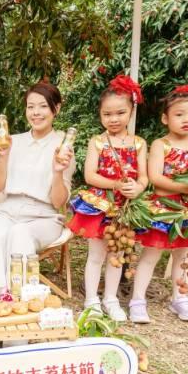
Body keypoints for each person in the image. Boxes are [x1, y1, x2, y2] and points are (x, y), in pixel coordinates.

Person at [128, 85, 188, 323]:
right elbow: (156, 180)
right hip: (163, 209)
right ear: (165, 118)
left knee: (183, 256)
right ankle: (137, 300)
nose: (187, 119)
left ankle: (180, 298)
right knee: (151, 254)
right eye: (179, 114)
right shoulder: (160, 144)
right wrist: (187, 188)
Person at [68, 75, 148, 322]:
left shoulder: (139, 143)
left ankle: (111, 299)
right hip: (101, 206)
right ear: (101, 115)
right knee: (96, 255)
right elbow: (90, 175)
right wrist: (115, 184)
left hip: (127, 207)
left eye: (120, 113)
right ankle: (91, 299)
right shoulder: (98, 142)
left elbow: (144, 177)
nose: (113, 119)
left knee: (119, 255)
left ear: (132, 111)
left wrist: (138, 188)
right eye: (107, 114)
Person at [0, 82, 76, 293]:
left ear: (56, 108)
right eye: (30, 106)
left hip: (43, 217)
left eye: (42, 106)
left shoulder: (63, 148)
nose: (36, 113)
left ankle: (21, 296)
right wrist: (3, 158)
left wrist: (57, 171)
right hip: (6, 210)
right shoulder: (12, 141)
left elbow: (58, 202)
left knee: (20, 232)